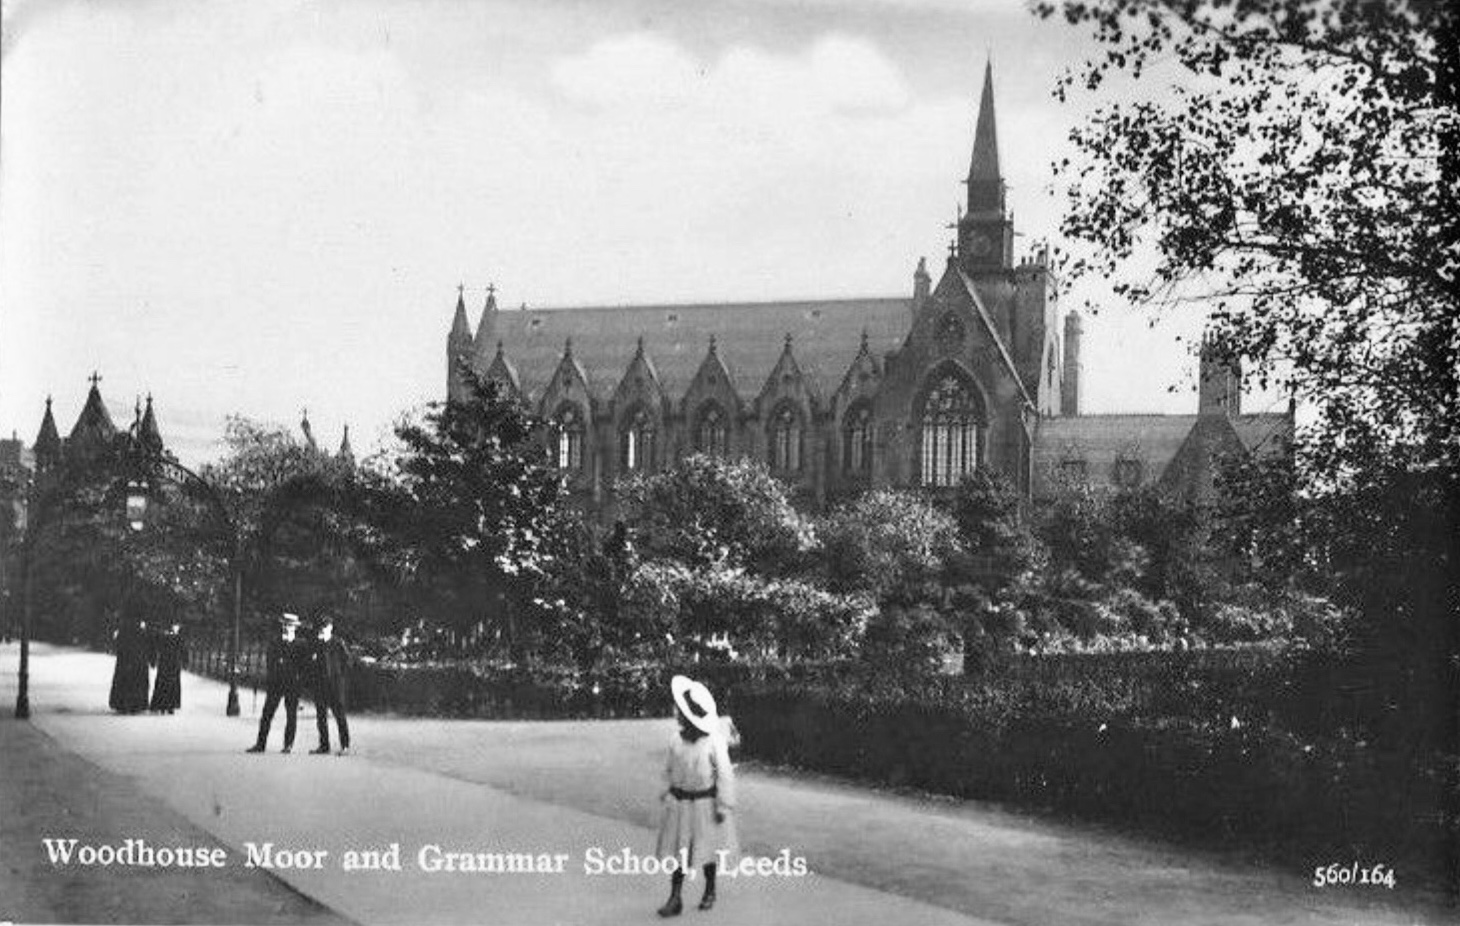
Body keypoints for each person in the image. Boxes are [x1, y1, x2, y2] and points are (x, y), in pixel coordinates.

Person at [655, 675, 738, 917]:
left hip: (705, 804)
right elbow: (667, 769)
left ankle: (710, 889)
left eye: (681, 710)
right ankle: (675, 897)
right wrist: (667, 792)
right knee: (680, 852)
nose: (677, 714)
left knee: (706, 849)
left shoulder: (713, 742)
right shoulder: (676, 741)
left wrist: (724, 805)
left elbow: (724, 775)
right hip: (681, 803)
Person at [246, 613, 305, 754]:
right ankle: (260, 744)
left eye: (290, 625)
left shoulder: (301, 645)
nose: (287, 628)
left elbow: (303, 666)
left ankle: (288, 744)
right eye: (285, 625)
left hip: (292, 684)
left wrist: (299, 681)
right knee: (267, 714)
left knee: (291, 715)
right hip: (276, 683)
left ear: (295, 628)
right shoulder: (275, 642)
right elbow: (270, 663)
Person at [307, 615, 352, 756]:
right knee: (321, 716)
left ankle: (345, 745)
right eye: (321, 627)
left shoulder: (338, 643)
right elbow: (311, 663)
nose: (323, 630)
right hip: (320, 685)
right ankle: (324, 745)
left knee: (340, 715)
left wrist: (339, 676)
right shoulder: (316, 644)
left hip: (335, 685)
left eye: (325, 627)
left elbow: (348, 661)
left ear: (330, 627)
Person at [108, 618, 151, 714]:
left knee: (127, 679)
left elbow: (118, 644)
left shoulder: (126, 628)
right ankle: (135, 704)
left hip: (129, 658)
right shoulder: (140, 630)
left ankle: (124, 703)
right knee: (134, 680)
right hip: (136, 658)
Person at [148, 623, 186, 714]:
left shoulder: (163, 636)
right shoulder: (177, 638)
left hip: (165, 662)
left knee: (163, 683)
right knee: (171, 684)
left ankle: (161, 704)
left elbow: (156, 647)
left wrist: (153, 660)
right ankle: (170, 705)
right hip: (173, 663)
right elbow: (183, 650)